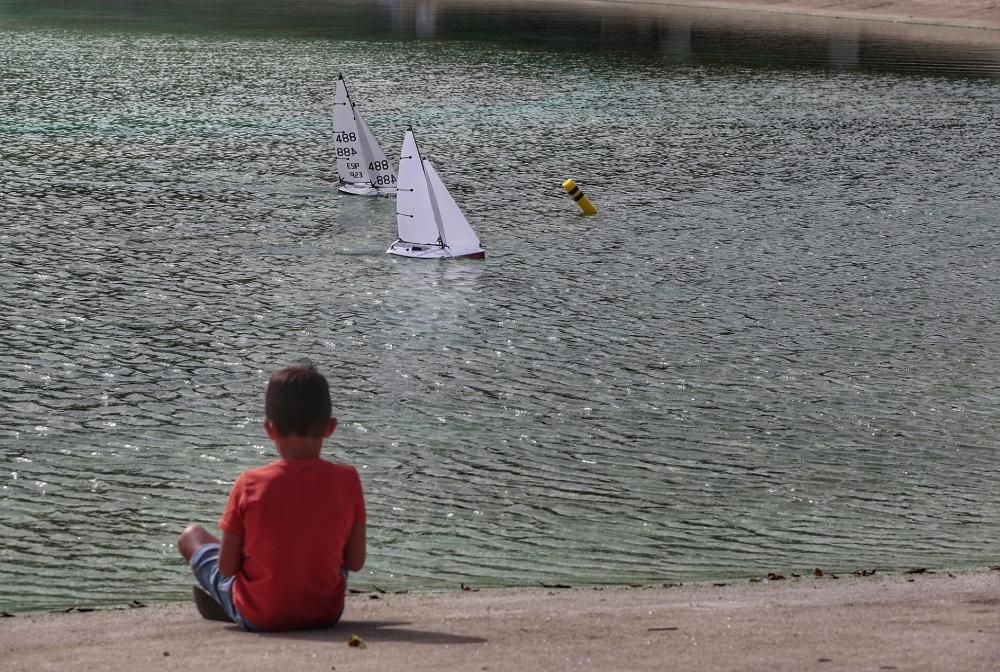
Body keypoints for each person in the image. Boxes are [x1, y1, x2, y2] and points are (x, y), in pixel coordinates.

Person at [177, 364, 366, 631]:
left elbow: (228, 567)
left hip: (261, 616)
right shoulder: (348, 479)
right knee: (326, 555)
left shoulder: (250, 483)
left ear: (269, 428)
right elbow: (355, 562)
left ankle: (237, 603)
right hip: (325, 614)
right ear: (330, 427)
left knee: (191, 536)